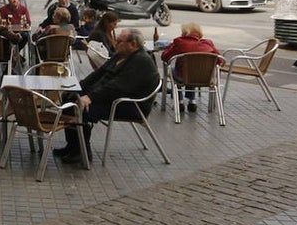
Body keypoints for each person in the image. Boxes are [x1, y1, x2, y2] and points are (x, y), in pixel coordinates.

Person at [55, 28, 160, 164]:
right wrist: (76, 88)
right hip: (113, 98)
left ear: (133, 44)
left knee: (82, 108)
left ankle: (83, 153)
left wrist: (90, 97)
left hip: (131, 105)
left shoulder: (141, 61)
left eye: (119, 42)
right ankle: (73, 146)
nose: (115, 44)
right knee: (69, 98)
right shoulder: (120, 55)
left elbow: (117, 87)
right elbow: (97, 74)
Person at [161, 22, 222, 113]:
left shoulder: (179, 42)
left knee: (177, 71)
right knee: (193, 70)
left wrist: (170, 46)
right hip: (205, 78)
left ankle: (180, 101)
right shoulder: (208, 44)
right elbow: (220, 61)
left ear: (184, 32)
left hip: (183, 76)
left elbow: (165, 57)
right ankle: (192, 101)